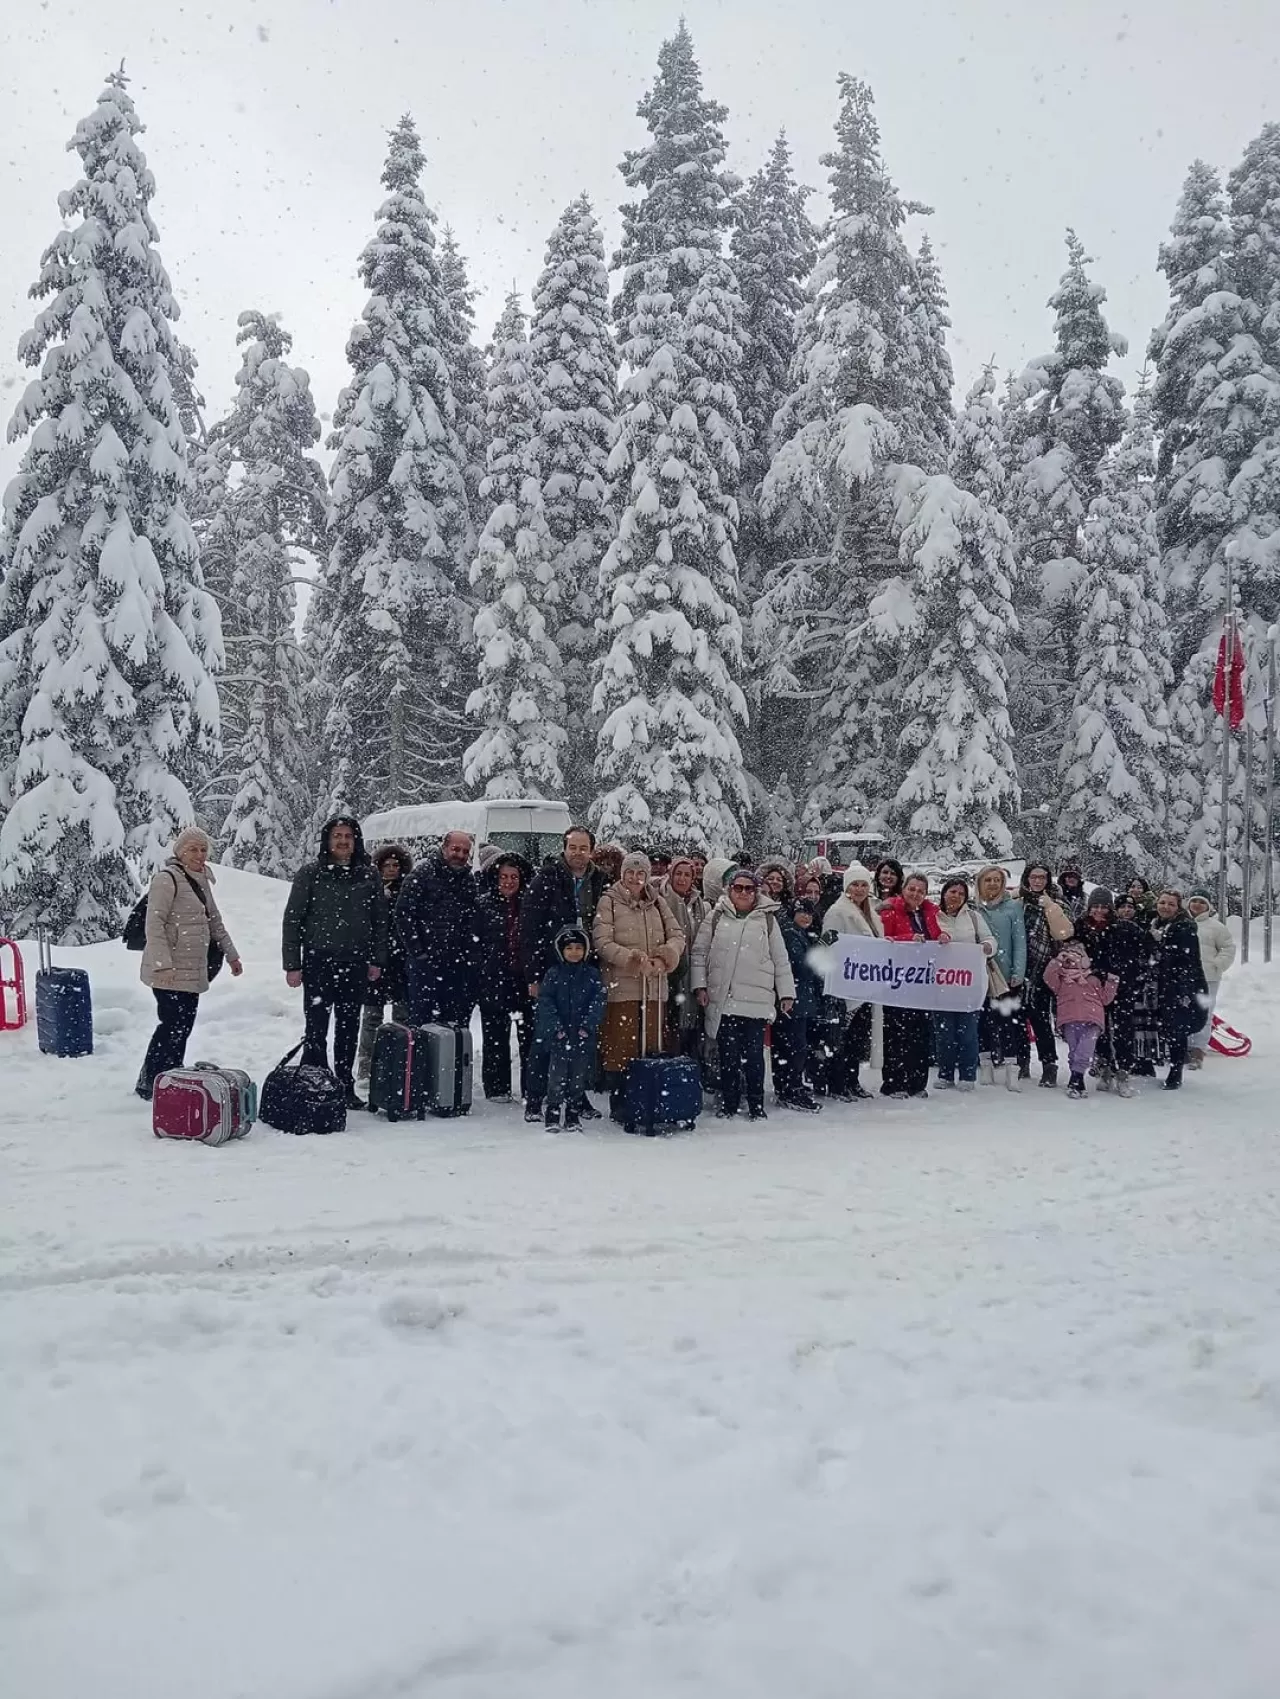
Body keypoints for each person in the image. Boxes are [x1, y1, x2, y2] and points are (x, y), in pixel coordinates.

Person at [283, 815, 388, 1109]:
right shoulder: (310, 874)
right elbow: (292, 920)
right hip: (319, 962)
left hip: (355, 963)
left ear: (356, 842)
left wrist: (377, 960)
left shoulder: (368, 876)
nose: (343, 841)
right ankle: (313, 1083)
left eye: (348, 836)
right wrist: (292, 963)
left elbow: (380, 921)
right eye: (337, 836)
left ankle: (343, 1085)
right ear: (327, 841)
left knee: (348, 1027)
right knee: (316, 1027)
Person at [136, 827, 243, 1100]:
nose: (199, 854)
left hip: (193, 969)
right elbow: (155, 924)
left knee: (183, 1026)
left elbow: (215, 921)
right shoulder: (166, 879)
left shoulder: (202, 879)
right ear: (180, 852)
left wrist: (232, 955)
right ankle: (153, 1080)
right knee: (171, 1025)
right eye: (193, 849)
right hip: (169, 971)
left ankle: (169, 1075)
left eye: (203, 849)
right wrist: (162, 964)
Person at [521, 827, 610, 1122]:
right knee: (545, 1038)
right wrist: (534, 974)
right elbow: (529, 928)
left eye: (583, 848)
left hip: (584, 968)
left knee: (579, 1042)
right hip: (552, 967)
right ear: (564, 848)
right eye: (573, 847)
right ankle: (535, 1098)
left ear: (591, 850)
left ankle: (576, 1096)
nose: (578, 853)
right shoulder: (546, 878)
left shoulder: (600, 880)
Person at [691, 870, 796, 1120]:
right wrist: (700, 987)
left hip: (756, 1001)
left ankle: (756, 1104)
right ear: (729, 890)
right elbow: (699, 953)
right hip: (726, 999)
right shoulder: (715, 917)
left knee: (754, 1058)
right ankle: (729, 1103)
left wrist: (786, 993)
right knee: (728, 1056)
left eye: (749, 888)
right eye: (738, 888)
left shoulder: (767, 920)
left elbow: (781, 960)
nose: (744, 893)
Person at [593, 852, 685, 1120]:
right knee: (622, 1048)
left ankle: (649, 1098)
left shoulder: (658, 902)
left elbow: (678, 935)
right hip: (622, 988)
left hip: (654, 987)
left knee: (651, 1045)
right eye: (630, 873)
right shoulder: (609, 901)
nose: (635, 879)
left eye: (641, 873)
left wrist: (665, 956)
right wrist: (632, 960)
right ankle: (622, 1103)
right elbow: (602, 941)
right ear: (622, 875)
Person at [395, 830, 482, 1029]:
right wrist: (418, 952)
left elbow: (471, 921)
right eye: (455, 849)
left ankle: (450, 1060)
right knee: (423, 1024)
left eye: (465, 851)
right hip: (425, 966)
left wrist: (469, 956)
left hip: (456, 965)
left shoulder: (468, 880)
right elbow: (403, 913)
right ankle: (421, 1060)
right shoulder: (423, 873)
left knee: (453, 1024)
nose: (460, 855)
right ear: (444, 849)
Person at [879, 873, 949, 1099]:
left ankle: (917, 1082)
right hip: (897, 981)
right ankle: (894, 1082)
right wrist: (907, 939)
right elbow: (884, 941)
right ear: (903, 889)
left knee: (920, 1034)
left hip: (922, 983)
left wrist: (945, 937)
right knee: (897, 1034)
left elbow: (937, 937)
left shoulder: (930, 913)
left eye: (920, 891)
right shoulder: (890, 911)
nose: (915, 894)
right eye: (912, 889)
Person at [533, 926, 607, 1130]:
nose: (574, 952)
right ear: (561, 951)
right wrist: (556, 1028)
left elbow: (598, 1002)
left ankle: (573, 1114)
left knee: (578, 1078)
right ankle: (553, 1112)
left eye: (578, 948)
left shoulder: (592, 975)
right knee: (556, 1078)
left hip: (583, 1038)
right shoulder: (553, 974)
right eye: (569, 948)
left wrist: (588, 1025)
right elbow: (546, 1003)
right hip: (559, 1038)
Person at [819, 863, 883, 1099]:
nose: (859, 889)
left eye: (863, 884)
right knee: (840, 1039)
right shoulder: (837, 912)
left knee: (857, 1039)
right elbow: (827, 945)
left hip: (865, 986)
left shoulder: (871, 914)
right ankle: (837, 1083)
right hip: (844, 986)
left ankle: (852, 1080)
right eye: (854, 884)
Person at [1077, 888, 1147, 1096]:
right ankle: (1104, 1064)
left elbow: (1144, 952)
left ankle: (1123, 1069)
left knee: (1123, 1028)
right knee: (1099, 1028)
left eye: (1104, 907)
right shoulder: (1081, 927)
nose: (1099, 911)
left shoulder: (1125, 928)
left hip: (1122, 985)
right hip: (1093, 987)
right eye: (1095, 906)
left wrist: (1128, 974)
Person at [476, 853, 533, 1101]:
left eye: (514, 877)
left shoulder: (530, 904)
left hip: (524, 978)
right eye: (503, 877)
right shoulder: (483, 904)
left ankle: (532, 1087)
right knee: (495, 1036)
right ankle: (497, 1087)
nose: (508, 882)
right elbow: (473, 942)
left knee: (529, 1036)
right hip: (493, 978)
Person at [355, 843, 412, 1087]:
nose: (391, 870)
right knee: (371, 1017)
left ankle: (398, 1061)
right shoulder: (369, 891)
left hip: (400, 961)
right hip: (375, 961)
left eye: (395, 866)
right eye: (386, 865)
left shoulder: (408, 891)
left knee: (402, 1016)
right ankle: (366, 1067)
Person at [933, 876, 995, 1091]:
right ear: (944, 893)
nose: (956, 896)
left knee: (968, 1032)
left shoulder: (974, 917)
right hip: (941, 984)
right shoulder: (934, 915)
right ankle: (946, 1073)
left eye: (961, 893)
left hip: (968, 986)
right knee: (944, 1033)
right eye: (952, 892)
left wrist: (987, 946)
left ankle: (968, 1074)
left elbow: (990, 940)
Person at [1018, 863, 1074, 1088]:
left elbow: (1063, 932)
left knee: (1041, 1020)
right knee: (1018, 1019)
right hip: (1020, 967)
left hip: (1045, 969)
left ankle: (1049, 1063)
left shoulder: (1057, 903)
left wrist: (1049, 906)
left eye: (1042, 877)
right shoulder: (1019, 903)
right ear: (1027, 878)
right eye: (1034, 877)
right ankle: (1021, 1061)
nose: (1038, 881)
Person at [1043, 939, 1119, 1100]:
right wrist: (1057, 961)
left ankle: (1075, 1080)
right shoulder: (1061, 979)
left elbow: (1105, 999)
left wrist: (1112, 981)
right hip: (1069, 1020)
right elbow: (1047, 977)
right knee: (1074, 1051)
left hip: (1092, 1021)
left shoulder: (1093, 979)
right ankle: (1077, 1079)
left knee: (1085, 1051)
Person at [1150, 888, 1209, 1090]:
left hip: (1179, 985)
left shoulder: (1184, 927)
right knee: (1167, 1027)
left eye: (1170, 904)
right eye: (1162, 903)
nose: (1165, 907)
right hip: (1162, 983)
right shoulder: (1156, 924)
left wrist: (1184, 990)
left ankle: (1175, 1073)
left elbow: (1186, 960)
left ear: (1178, 907)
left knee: (1177, 1029)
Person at [975, 865, 1027, 1092]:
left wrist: (1018, 971)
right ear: (980, 883)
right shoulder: (973, 909)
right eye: (988, 880)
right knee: (983, 1024)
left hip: (1005, 977)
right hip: (980, 975)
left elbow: (1020, 942)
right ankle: (985, 1065)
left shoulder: (1013, 907)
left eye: (997, 880)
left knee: (1009, 1024)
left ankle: (1011, 1067)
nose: (993, 884)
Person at [773, 893, 823, 1111]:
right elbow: (802, 966)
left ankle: (791, 1085)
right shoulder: (790, 935)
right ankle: (789, 1087)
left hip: (801, 1000)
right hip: (793, 999)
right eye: (802, 912)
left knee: (795, 1046)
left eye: (809, 913)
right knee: (793, 1047)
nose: (805, 917)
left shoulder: (801, 934)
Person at [657, 855, 707, 1059]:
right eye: (678, 873)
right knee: (669, 1017)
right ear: (670, 874)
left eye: (687, 875)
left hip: (692, 966)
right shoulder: (661, 899)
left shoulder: (698, 902)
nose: (682, 879)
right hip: (670, 968)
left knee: (690, 1018)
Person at [1115, 894, 1163, 1074]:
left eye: (1130, 907)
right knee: (1123, 1025)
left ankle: (1144, 1060)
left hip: (1141, 983)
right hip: (1120, 982)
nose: (1127, 910)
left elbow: (1152, 954)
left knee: (1143, 1024)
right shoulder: (1112, 928)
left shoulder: (1143, 929)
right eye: (1123, 907)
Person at [1186, 890, 1235, 1068]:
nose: (1197, 905)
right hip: (1184, 977)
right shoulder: (1182, 923)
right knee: (1183, 1012)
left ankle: (1197, 1050)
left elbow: (1228, 948)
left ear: (1208, 906)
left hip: (1209, 977)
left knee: (1203, 1014)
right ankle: (1182, 1048)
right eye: (1194, 901)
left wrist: (1217, 964)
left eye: (1202, 902)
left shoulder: (1216, 927)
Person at [1058, 858, 1089, 925]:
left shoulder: (1083, 898)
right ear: (1064, 878)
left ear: (1079, 880)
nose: (1072, 879)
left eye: (1075, 877)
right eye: (1069, 876)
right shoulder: (1056, 894)